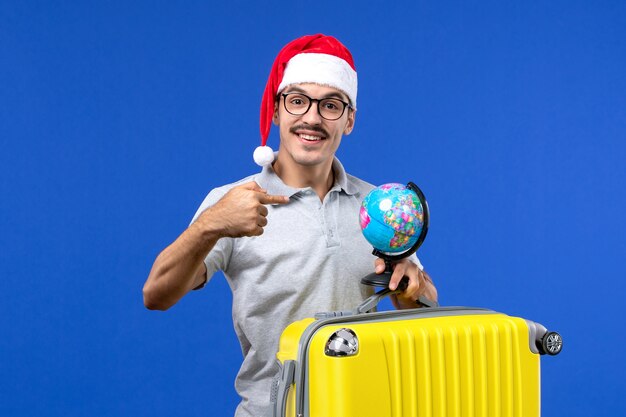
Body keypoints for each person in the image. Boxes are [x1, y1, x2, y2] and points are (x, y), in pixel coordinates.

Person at [143, 34, 437, 417]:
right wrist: (210, 226)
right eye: (298, 101)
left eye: (331, 105)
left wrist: (413, 289)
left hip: (366, 405)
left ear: (349, 120)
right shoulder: (231, 201)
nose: (312, 118)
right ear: (278, 110)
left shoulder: (380, 207)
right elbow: (156, 294)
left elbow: (424, 300)